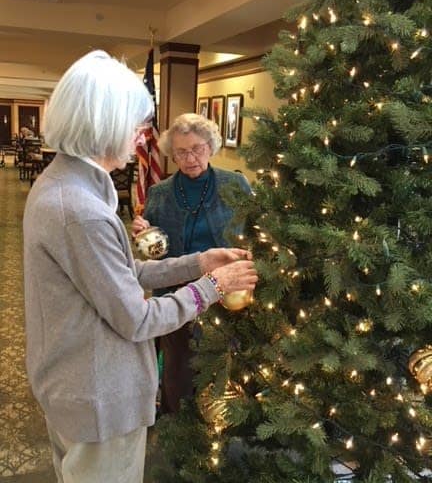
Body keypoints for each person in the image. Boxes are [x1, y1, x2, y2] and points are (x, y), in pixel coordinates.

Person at [23, 51, 258, 483]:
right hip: (98, 398)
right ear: (104, 124)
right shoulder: (80, 209)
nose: (141, 140)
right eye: (135, 127)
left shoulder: (65, 185)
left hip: (78, 386)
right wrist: (214, 284)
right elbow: (138, 317)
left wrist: (201, 261)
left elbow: (124, 272)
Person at [132, 112, 252, 414]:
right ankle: (177, 426)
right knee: (179, 371)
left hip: (228, 295)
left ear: (210, 147)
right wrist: (145, 236)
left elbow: (255, 232)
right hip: (178, 298)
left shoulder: (235, 185)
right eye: (181, 152)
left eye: (197, 149)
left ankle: (221, 424)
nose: (190, 158)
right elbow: (156, 258)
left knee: (225, 364)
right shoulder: (159, 194)